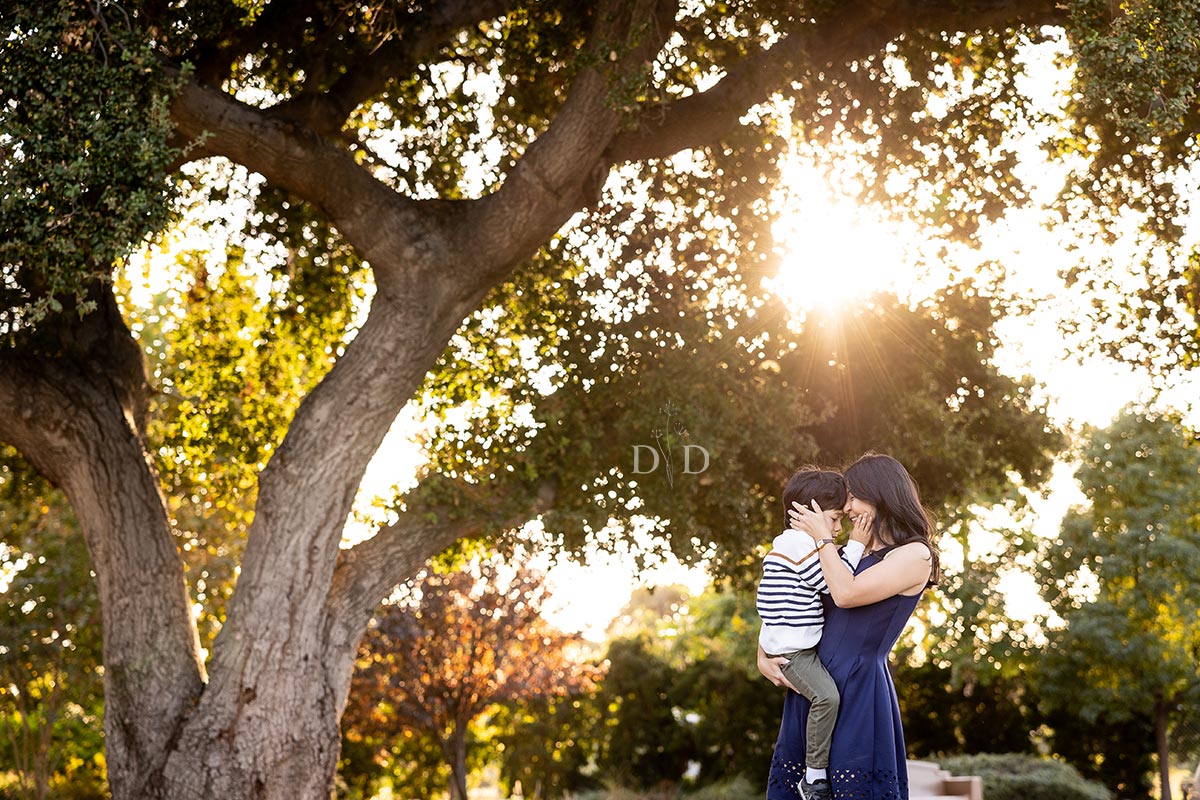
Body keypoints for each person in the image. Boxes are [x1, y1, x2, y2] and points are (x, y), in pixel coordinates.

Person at [759, 452, 938, 800]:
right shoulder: (846, 552)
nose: (848, 506)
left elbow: (844, 593)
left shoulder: (915, 555)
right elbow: (789, 595)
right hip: (814, 682)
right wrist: (764, 652)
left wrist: (824, 538)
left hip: (858, 689)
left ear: (881, 494)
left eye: (854, 496)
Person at [755, 468, 870, 800]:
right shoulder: (798, 543)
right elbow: (836, 585)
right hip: (795, 654)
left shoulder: (794, 543)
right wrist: (856, 545)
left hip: (793, 647)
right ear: (810, 513)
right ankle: (814, 777)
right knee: (827, 697)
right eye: (834, 519)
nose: (838, 528)